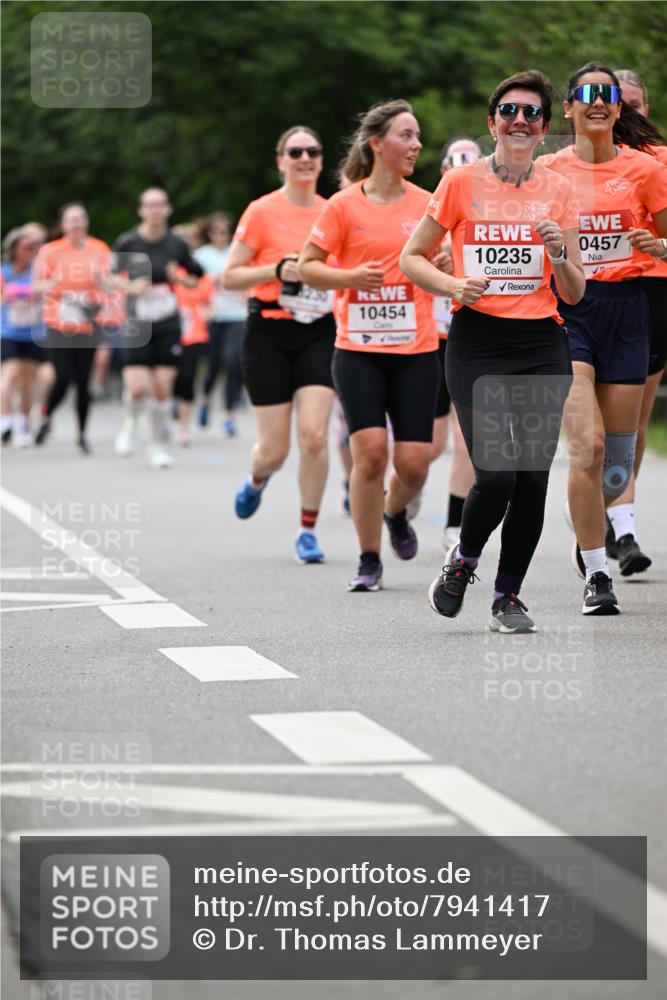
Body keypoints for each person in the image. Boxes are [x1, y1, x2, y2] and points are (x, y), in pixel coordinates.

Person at [401, 70, 584, 632]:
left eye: (531, 113)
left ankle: (508, 596)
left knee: (531, 475)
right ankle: (462, 562)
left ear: (545, 128)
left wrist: (557, 255)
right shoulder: (460, 184)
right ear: (492, 123)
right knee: (497, 472)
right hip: (477, 342)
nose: (520, 121)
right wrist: (452, 286)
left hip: (540, 343)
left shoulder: (559, 190)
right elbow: (412, 258)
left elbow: (575, 291)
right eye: (509, 111)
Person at [539, 63, 667, 610]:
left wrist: (660, 248)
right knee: (585, 447)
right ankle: (596, 574)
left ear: (619, 108)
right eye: (585, 94)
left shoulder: (646, 170)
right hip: (570, 308)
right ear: (568, 107)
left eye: (607, 96)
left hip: (628, 309)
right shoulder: (546, 169)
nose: (597, 102)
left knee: (617, 460)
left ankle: (592, 519)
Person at [299, 100, 441, 591]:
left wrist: (440, 260)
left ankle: (395, 511)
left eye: (418, 136)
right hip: (357, 349)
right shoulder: (343, 205)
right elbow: (307, 265)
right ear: (378, 144)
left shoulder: (428, 202)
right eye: (407, 135)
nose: (417, 145)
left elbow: (447, 257)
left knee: (414, 464)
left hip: (417, 350)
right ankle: (367, 559)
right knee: (372, 453)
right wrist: (350, 277)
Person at [223, 126, 336, 564]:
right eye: (295, 152)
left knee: (313, 436)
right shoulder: (262, 211)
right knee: (275, 450)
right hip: (268, 331)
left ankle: (307, 530)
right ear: (281, 160)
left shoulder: (334, 210)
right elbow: (230, 276)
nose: (305, 157)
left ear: (321, 160)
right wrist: (276, 269)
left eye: (312, 150)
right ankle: (256, 478)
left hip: (319, 330)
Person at [601, 70, 667, 565]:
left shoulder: (661, 160)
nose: (628, 111)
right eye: (619, 102)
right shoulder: (584, 160)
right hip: (597, 295)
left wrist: (660, 245)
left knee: (636, 417)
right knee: (599, 423)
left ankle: (619, 520)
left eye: (636, 103)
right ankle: (606, 512)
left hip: (653, 290)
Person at [113, 187, 204, 468]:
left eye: (160, 205)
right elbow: (108, 277)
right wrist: (130, 286)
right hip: (137, 321)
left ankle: (155, 445)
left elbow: (195, 278)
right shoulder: (128, 242)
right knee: (138, 387)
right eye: (150, 205)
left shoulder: (176, 244)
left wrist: (180, 278)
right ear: (141, 210)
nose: (155, 210)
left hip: (167, 321)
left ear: (167, 209)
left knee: (162, 388)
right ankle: (131, 424)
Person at [33, 203, 113, 453]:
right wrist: (52, 285)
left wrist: (107, 292)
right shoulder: (50, 251)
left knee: (83, 381)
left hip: (88, 322)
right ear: (63, 224)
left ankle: (81, 434)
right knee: (63, 377)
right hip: (59, 322)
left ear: (86, 222)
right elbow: (36, 286)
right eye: (71, 219)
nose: (77, 223)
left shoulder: (99, 248)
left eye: (81, 218)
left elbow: (108, 283)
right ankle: (46, 416)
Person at [432, 138, 480, 550]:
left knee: (466, 439)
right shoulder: (424, 211)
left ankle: (454, 524)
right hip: (426, 341)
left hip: (470, 339)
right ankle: (398, 498)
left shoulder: (491, 214)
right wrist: (436, 267)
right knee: (426, 448)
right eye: (455, 166)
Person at [194, 212, 247, 437]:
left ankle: (228, 414)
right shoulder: (200, 256)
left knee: (233, 361)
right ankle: (205, 399)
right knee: (213, 365)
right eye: (216, 231)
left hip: (236, 314)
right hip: (213, 316)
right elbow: (193, 285)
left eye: (225, 231)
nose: (221, 235)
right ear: (209, 233)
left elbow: (245, 279)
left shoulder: (236, 253)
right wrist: (212, 282)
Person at [171, 223, 215, 445]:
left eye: (189, 241)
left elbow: (209, 300)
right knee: (167, 379)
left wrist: (207, 313)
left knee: (187, 379)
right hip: (167, 330)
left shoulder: (199, 272)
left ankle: (183, 427)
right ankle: (166, 412)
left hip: (194, 332)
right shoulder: (166, 270)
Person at [1, 227, 44, 446]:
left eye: (35, 248)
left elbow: (51, 289)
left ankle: (24, 422)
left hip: (33, 333)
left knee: (28, 383)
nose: (32, 252)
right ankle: (5, 419)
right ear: (15, 249)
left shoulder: (39, 271)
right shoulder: (4, 271)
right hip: (9, 331)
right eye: (28, 247)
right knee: (10, 375)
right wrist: (21, 293)